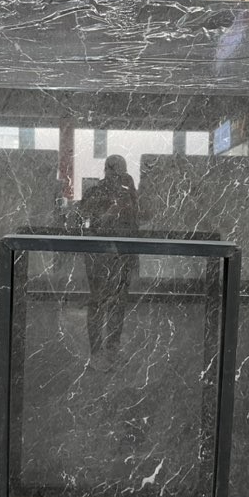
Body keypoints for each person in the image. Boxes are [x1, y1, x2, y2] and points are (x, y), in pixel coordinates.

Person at [78, 155, 138, 370]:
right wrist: (111, 212)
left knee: (118, 303)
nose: (118, 176)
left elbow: (137, 222)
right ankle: (96, 352)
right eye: (116, 171)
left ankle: (112, 348)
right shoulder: (95, 193)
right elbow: (87, 223)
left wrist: (132, 192)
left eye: (122, 172)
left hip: (122, 255)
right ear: (107, 170)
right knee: (98, 302)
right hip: (99, 255)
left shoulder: (126, 195)